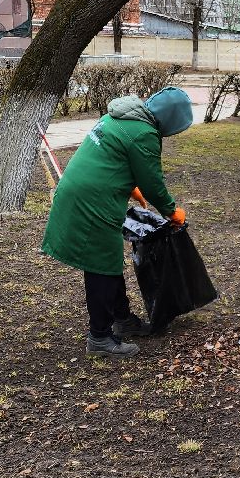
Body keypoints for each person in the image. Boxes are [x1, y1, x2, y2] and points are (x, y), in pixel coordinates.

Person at [41, 86, 193, 358]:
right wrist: (171, 211)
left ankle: (121, 318)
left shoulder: (118, 117)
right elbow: (153, 183)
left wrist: (129, 185)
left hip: (78, 191)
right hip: (93, 201)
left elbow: (113, 156)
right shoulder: (144, 133)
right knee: (102, 265)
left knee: (106, 262)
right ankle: (100, 337)